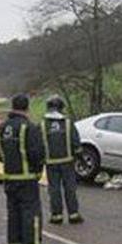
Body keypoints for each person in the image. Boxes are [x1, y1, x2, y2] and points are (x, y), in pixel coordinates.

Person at [0, 94, 51, 244]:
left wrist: (10, 161)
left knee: (13, 213)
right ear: (27, 108)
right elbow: (37, 153)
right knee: (31, 213)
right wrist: (38, 172)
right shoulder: (29, 128)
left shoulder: (2, 128)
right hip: (27, 179)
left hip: (9, 178)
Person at [41, 95, 83, 224]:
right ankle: (73, 215)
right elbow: (76, 143)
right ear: (61, 107)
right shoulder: (68, 123)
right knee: (70, 188)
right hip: (67, 162)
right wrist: (80, 158)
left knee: (54, 189)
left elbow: (38, 145)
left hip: (50, 163)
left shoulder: (42, 125)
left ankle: (56, 216)